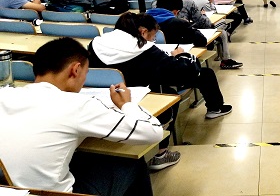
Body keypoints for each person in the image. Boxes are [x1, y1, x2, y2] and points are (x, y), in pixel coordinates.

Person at [0, 37, 163, 195]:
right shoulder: (77, 105)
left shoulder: (5, 94)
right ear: (75, 70)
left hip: (8, 189)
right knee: (132, 162)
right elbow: (153, 131)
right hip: (53, 194)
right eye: (85, 73)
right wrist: (126, 104)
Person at [88, 13, 233, 170]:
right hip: (144, 97)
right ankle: (161, 153)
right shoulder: (145, 50)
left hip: (105, 97)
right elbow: (183, 71)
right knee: (196, 78)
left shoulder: (95, 44)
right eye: (153, 35)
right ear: (143, 32)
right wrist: (182, 55)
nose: (153, 39)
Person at [162, 0, 242, 69]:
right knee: (221, 32)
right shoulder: (188, 2)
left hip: (163, 40)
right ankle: (225, 60)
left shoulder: (156, 2)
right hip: (185, 39)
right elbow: (205, 24)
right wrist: (203, 15)